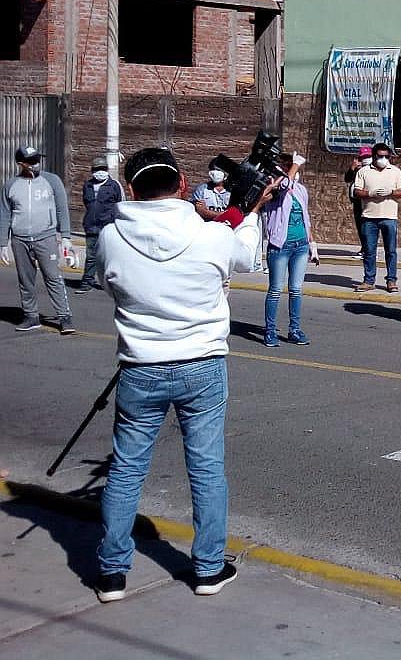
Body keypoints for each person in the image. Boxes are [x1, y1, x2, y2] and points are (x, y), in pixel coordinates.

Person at [92, 147, 276, 604]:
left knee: (127, 469)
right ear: (181, 184)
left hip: (141, 366)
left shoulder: (112, 237)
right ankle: (209, 569)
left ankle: (113, 573)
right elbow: (246, 259)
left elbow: (105, 282)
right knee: (207, 468)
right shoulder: (211, 234)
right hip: (202, 364)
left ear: (131, 189)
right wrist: (250, 212)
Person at [0, 146, 75, 334]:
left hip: (46, 237)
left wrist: (65, 237)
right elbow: (5, 215)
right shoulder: (10, 185)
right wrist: (3, 243)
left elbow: (61, 209)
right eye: (31, 161)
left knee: (53, 278)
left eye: (37, 160)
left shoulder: (52, 180)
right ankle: (31, 316)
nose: (36, 164)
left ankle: (64, 317)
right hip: (20, 239)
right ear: (20, 164)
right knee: (25, 280)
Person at [260, 158, 319, 347]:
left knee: (296, 289)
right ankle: (270, 331)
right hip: (280, 246)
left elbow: (305, 218)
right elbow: (284, 184)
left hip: (300, 245)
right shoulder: (274, 188)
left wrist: (312, 244)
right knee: (276, 289)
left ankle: (294, 329)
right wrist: (295, 164)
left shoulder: (301, 190)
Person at [353, 143, 401, 292]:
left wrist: (390, 192)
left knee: (391, 251)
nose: (383, 159)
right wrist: (371, 193)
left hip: (389, 217)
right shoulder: (364, 171)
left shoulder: (395, 172)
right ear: (374, 156)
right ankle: (369, 280)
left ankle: (391, 280)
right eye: (380, 156)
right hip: (369, 217)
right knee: (369, 251)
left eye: (386, 156)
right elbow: (357, 192)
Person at [79, 155, 125, 294]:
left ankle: (112, 284)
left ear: (107, 170)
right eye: (97, 169)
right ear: (92, 170)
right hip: (91, 226)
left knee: (109, 257)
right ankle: (87, 282)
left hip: (108, 227)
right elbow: (87, 203)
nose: (100, 172)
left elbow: (121, 204)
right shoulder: (87, 185)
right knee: (91, 256)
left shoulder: (114, 185)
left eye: (102, 169)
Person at [344, 146, 372, 259]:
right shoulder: (357, 169)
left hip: (366, 201)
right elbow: (347, 179)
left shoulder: (372, 169)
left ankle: (368, 250)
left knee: (366, 226)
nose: (365, 159)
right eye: (362, 157)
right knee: (360, 226)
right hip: (356, 201)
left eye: (367, 157)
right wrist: (353, 167)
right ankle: (364, 247)